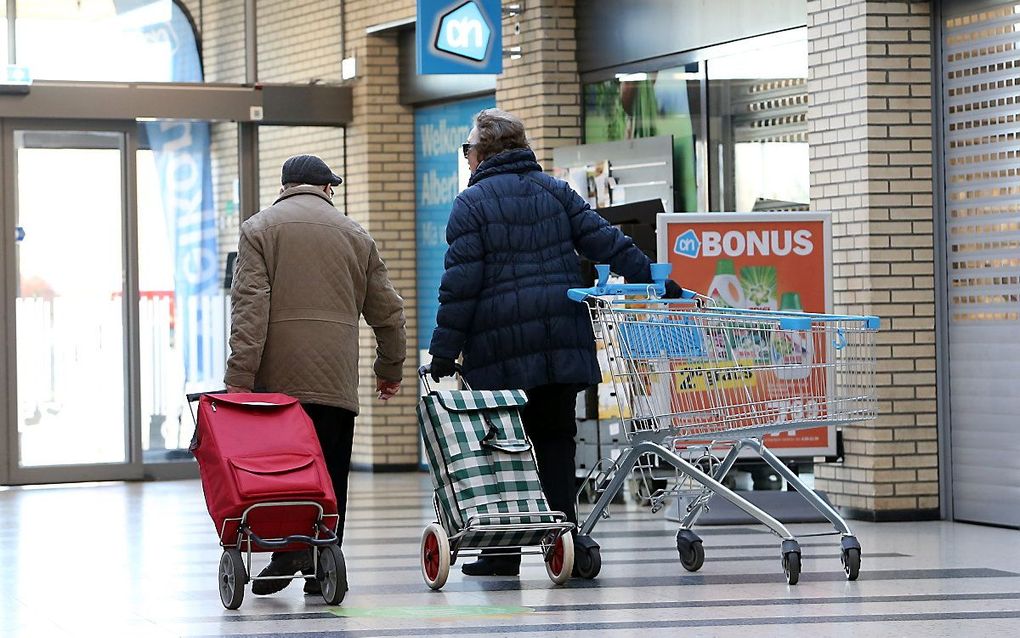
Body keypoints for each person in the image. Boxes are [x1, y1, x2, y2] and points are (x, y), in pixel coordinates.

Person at [427, 109, 688, 576]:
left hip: (498, 349)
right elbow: (604, 240)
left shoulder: (472, 204)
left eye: (468, 150)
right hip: (560, 340)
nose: (467, 158)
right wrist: (652, 276)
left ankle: (503, 551)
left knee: (501, 445)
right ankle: (563, 538)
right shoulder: (555, 191)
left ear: (483, 152)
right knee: (555, 438)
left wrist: (444, 352)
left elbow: (460, 285)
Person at [225, 154, 406, 595]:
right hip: (335, 383)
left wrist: (239, 382)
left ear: (285, 186)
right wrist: (389, 369)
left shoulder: (258, 230)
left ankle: (288, 549)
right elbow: (389, 313)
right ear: (327, 189)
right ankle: (324, 559)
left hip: (278, 388)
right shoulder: (356, 236)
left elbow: (249, 311)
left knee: (283, 473)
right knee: (329, 474)